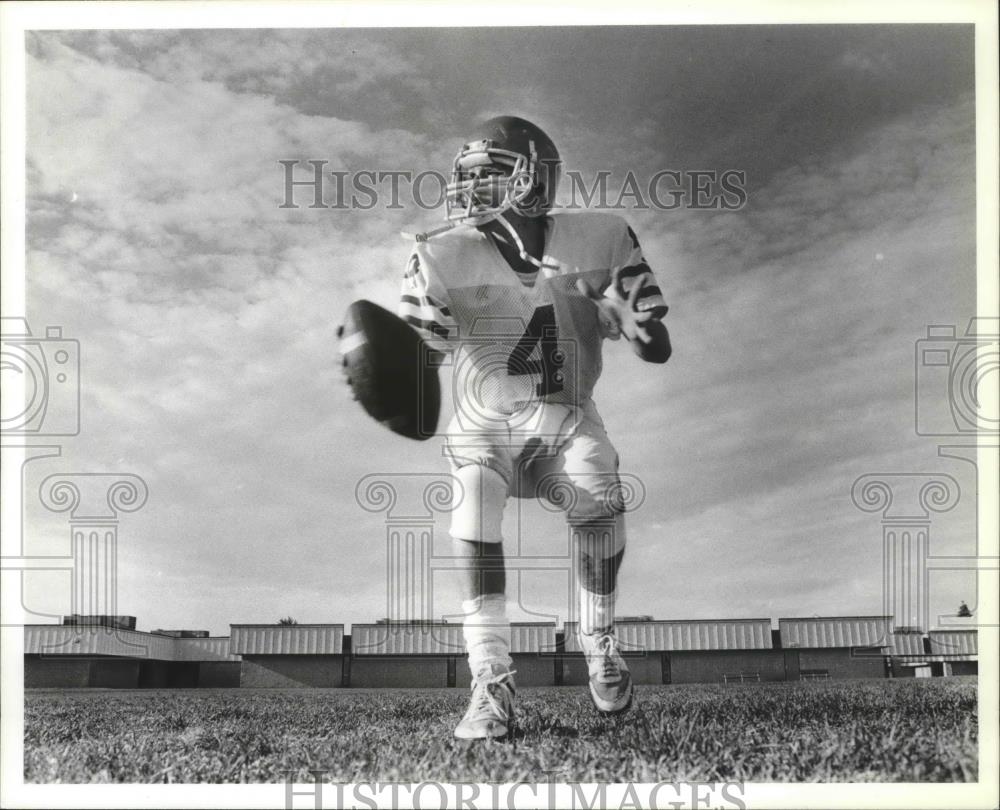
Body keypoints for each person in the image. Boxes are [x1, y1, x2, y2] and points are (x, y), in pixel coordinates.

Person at [397, 116, 671, 740]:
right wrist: (388, 360)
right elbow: (422, 360)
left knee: (601, 495)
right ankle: (490, 679)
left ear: (535, 178)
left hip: (566, 413)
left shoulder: (600, 238)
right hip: (485, 418)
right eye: (467, 178)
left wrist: (635, 322)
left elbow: (658, 349)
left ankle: (598, 641)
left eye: (491, 174)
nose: (473, 190)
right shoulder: (439, 252)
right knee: (472, 504)